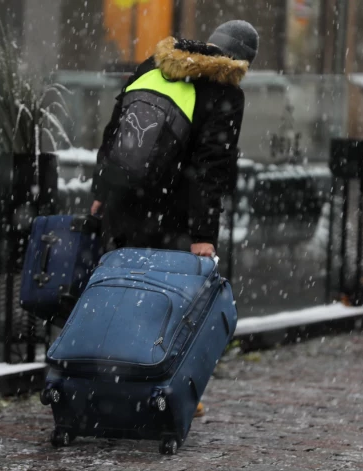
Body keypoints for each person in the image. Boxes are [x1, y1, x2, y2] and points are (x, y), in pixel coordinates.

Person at [90, 20, 259, 417]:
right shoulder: (224, 90)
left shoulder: (155, 65)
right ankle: (157, 393)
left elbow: (114, 130)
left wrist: (102, 192)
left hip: (126, 203)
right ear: (244, 60)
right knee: (168, 306)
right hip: (173, 211)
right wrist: (203, 234)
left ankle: (107, 387)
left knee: (122, 294)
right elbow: (210, 167)